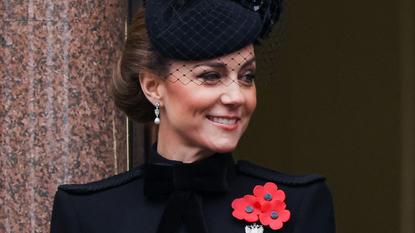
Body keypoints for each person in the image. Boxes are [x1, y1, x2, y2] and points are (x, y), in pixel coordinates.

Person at [50, 0, 336, 232]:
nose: (237, 96)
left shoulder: (300, 204)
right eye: (211, 76)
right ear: (153, 86)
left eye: (247, 76)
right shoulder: (86, 214)